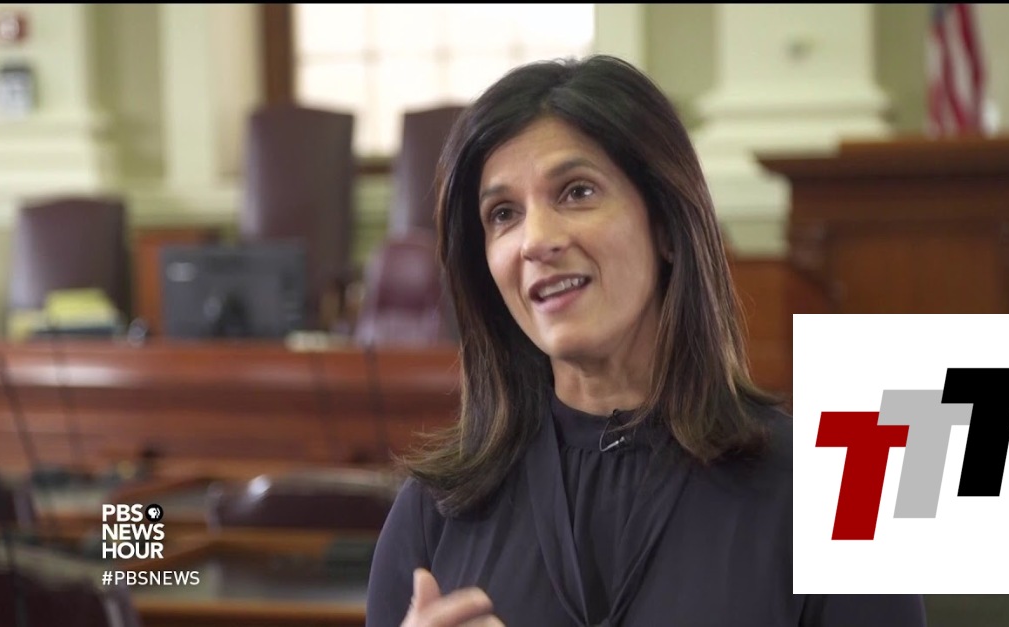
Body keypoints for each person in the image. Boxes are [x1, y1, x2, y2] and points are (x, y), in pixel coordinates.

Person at [365, 54, 927, 627]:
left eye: (577, 192)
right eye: (503, 213)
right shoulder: (432, 513)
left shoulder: (840, 489)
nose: (536, 240)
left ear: (666, 226)